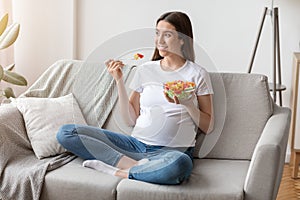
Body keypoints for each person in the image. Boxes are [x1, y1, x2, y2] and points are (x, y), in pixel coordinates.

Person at [56, 11, 214, 185]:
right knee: (66, 133)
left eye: (167, 35)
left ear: (182, 39)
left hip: (172, 152)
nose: (159, 41)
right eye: (157, 33)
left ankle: (118, 171)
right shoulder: (145, 69)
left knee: (180, 165)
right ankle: (135, 166)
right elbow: (130, 118)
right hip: (135, 145)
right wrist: (119, 81)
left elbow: (209, 126)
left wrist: (188, 105)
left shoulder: (197, 73)